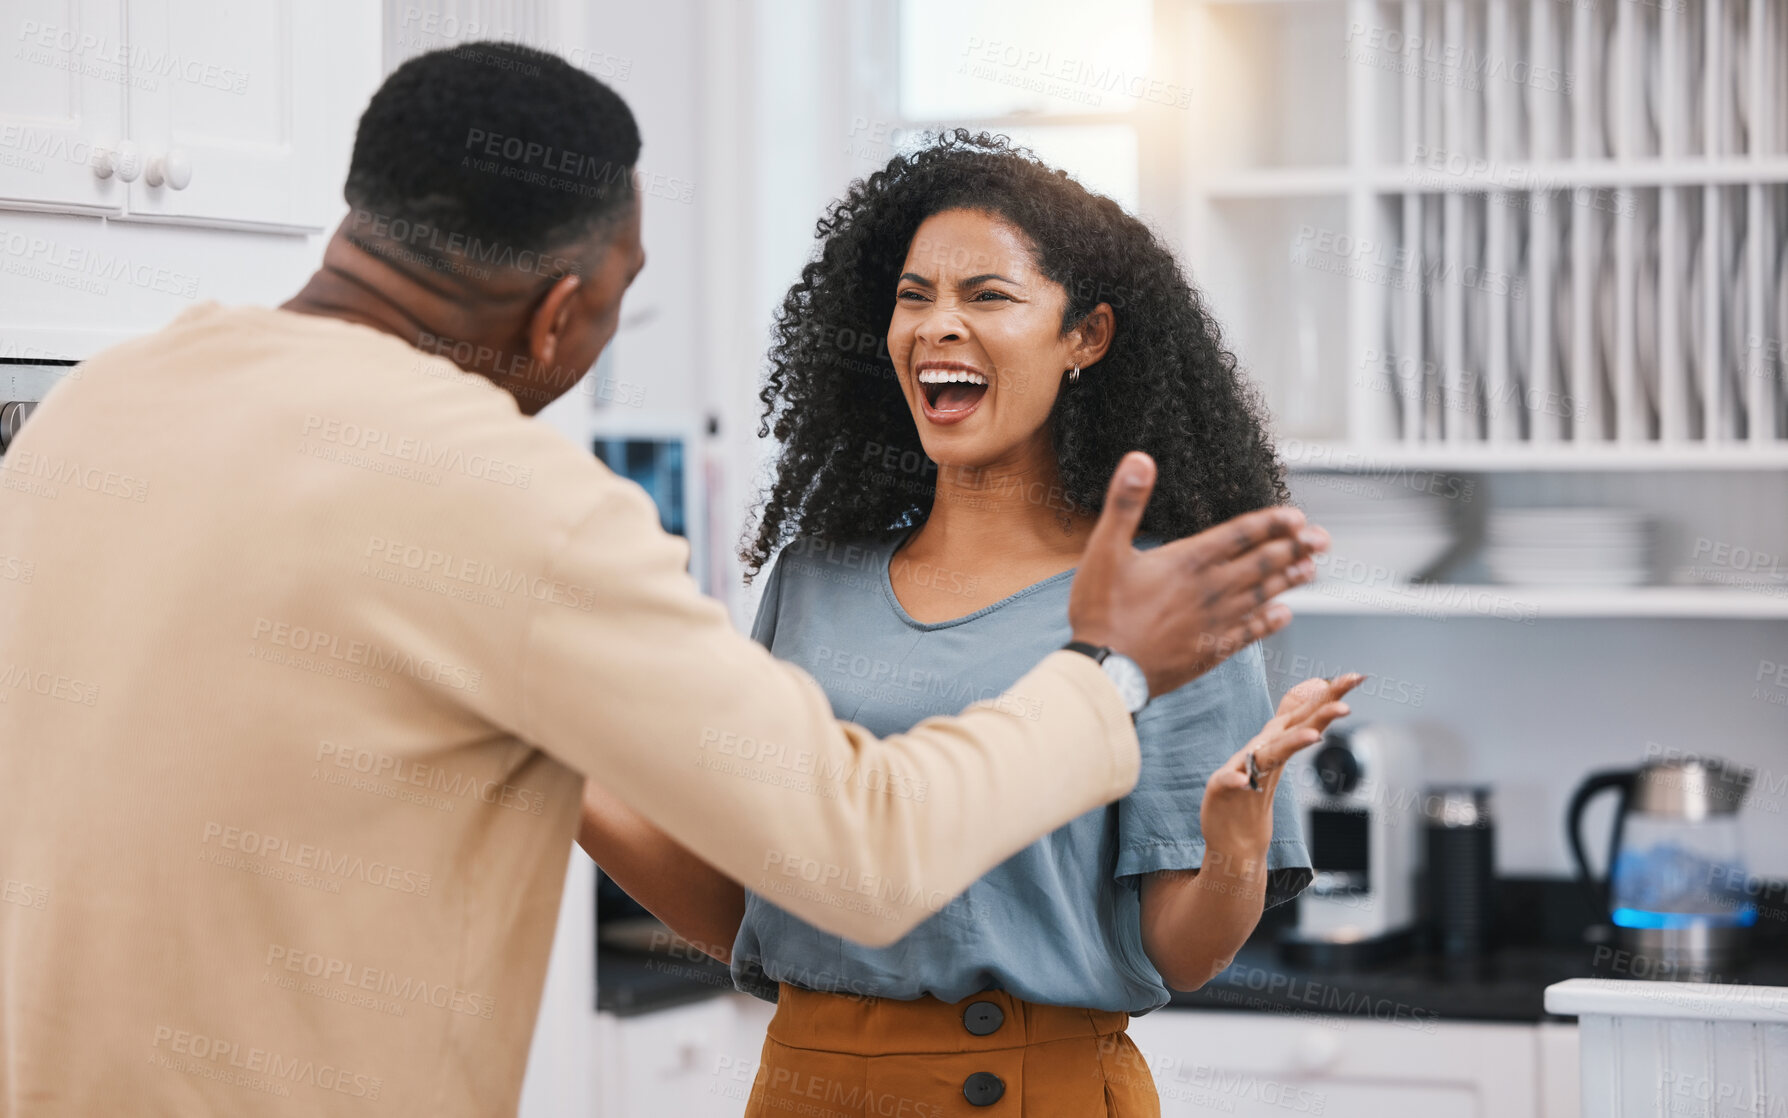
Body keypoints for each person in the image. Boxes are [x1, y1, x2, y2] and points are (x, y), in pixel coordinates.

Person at [0, 46, 1327, 1117]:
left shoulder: (91, 413)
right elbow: (861, 855)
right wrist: (1109, 667)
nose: (937, 326)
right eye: (622, 303)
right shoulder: (520, 507)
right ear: (553, 315)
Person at [576, 133, 1360, 1116]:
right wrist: (556, 768)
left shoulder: (1158, 598)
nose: (938, 325)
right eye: (914, 297)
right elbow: (751, 902)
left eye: (987, 295)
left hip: (1030, 1086)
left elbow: (1182, 951)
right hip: (803, 1082)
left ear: (1088, 335)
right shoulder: (816, 581)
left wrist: (1236, 841)